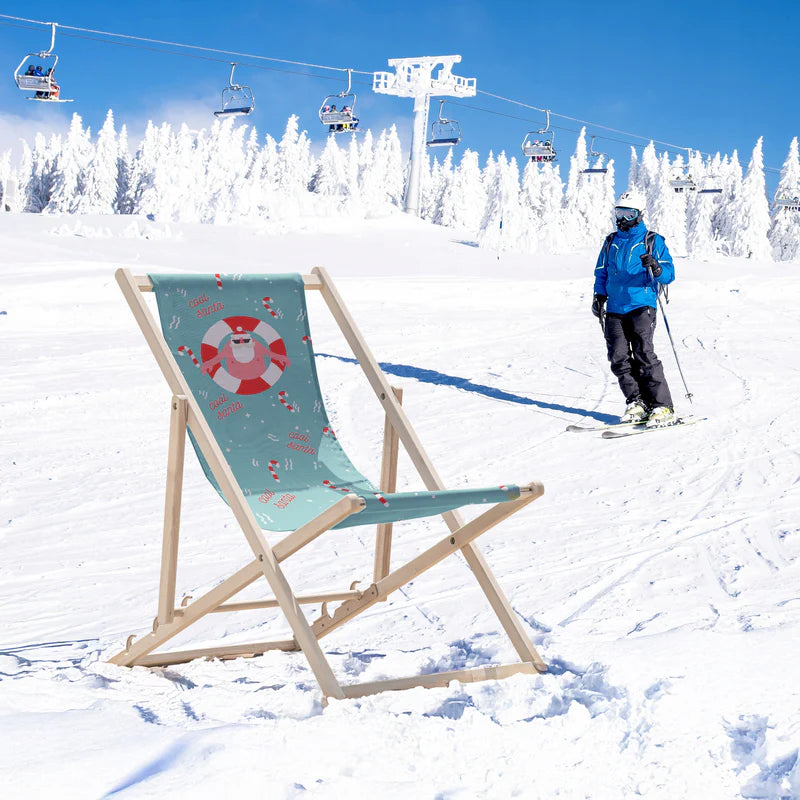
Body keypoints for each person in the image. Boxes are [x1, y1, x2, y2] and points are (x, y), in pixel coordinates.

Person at [591, 189, 676, 428]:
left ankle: (662, 406)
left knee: (643, 354)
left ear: (638, 215)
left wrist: (656, 267)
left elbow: (669, 274)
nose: (622, 219)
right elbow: (602, 272)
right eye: (619, 212)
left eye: (628, 214)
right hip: (615, 307)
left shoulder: (652, 240)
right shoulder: (611, 241)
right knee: (618, 358)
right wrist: (599, 296)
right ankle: (637, 402)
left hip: (641, 304)